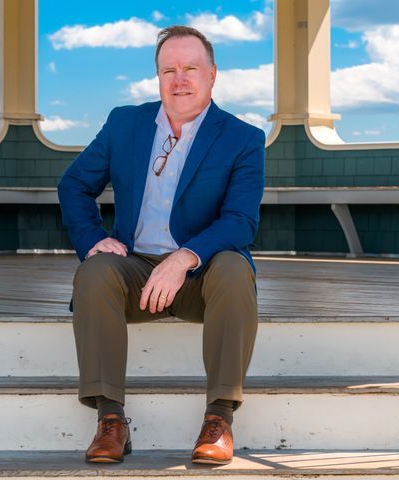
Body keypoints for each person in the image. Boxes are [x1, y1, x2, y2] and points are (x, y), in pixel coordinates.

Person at [58, 25, 265, 465]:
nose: (179, 79)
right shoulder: (124, 123)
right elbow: (74, 184)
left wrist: (185, 257)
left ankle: (220, 418)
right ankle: (110, 420)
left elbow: (240, 221)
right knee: (93, 272)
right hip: (133, 268)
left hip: (201, 275)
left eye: (191, 68)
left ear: (212, 75)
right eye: (168, 69)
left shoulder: (243, 138)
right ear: (157, 76)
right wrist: (94, 239)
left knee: (234, 267)